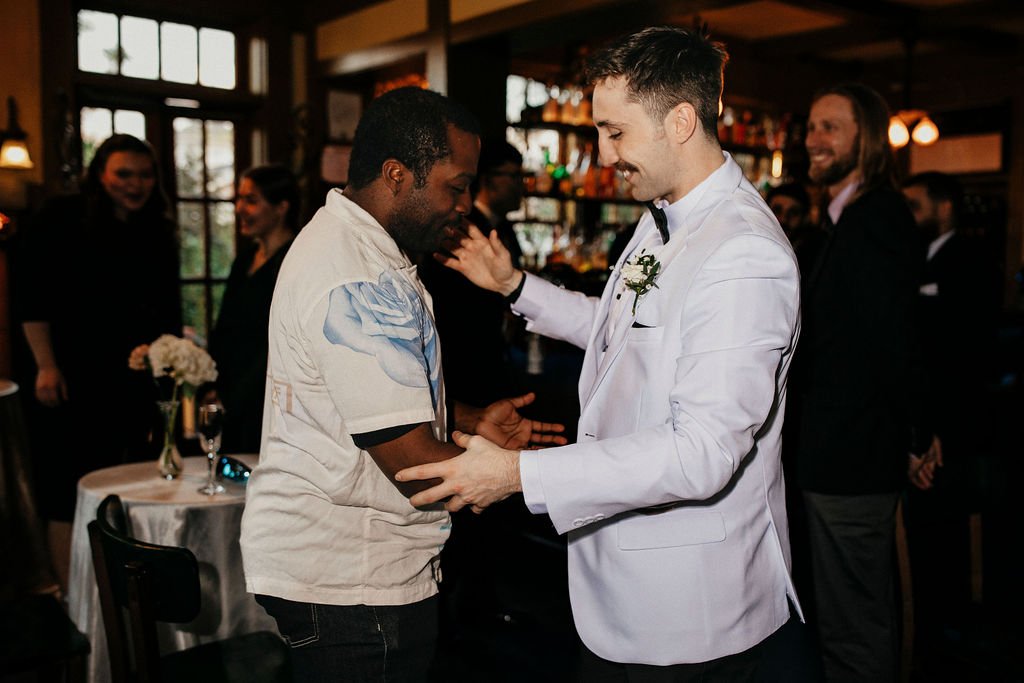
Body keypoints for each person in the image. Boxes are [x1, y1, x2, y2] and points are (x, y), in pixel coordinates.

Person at [396, 27, 806, 680]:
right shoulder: (661, 212)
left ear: (680, 121)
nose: (603, 152)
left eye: (615, 132)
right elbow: (624, 329)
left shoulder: (744, 253)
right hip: (624, 584)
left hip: (691, 613)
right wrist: (515, 287)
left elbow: (700, 452)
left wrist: (516, 474)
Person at [238, 86, 565, 683]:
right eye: (455, 185)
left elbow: (373, 398)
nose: (465, 204)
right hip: (352, 582)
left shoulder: (359, 246)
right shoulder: (354, 276)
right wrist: (546, 475)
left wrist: (466, 422)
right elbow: (417, 468)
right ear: (397, 174)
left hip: (345, 570)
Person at [793, 83, 940, 683]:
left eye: (830, 127)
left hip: (853, 457)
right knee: (841, 619)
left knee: (855, 626)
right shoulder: (840, 220)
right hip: (834, 452)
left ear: (868, 140)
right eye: (810, 127)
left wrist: (918, 435)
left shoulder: (877, 218)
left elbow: (896, 343)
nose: (813, 139)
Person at [16, 133, 181, 589]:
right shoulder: (61, 217)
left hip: (131, 383)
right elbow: (31, 298)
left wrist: (168, 370)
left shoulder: (156, 230)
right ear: (100, 175)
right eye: (123, 174)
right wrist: (45, 365)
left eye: (145, 175)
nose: (135, 184)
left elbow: (167, 312)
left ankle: (115, 593)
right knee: (66, 490)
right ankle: (72, 596)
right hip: (68, 378)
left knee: (125, 485)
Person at [207, 164, 299, 454]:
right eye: (239, 199)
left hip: (268, 397)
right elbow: (224, 327)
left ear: (280, 207)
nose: (240, 209)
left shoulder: (295, 260)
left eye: (251, 200)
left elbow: (275, 342)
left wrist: (235, 397)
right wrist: (210, 383)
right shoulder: (244, 259)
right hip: (229, 393)